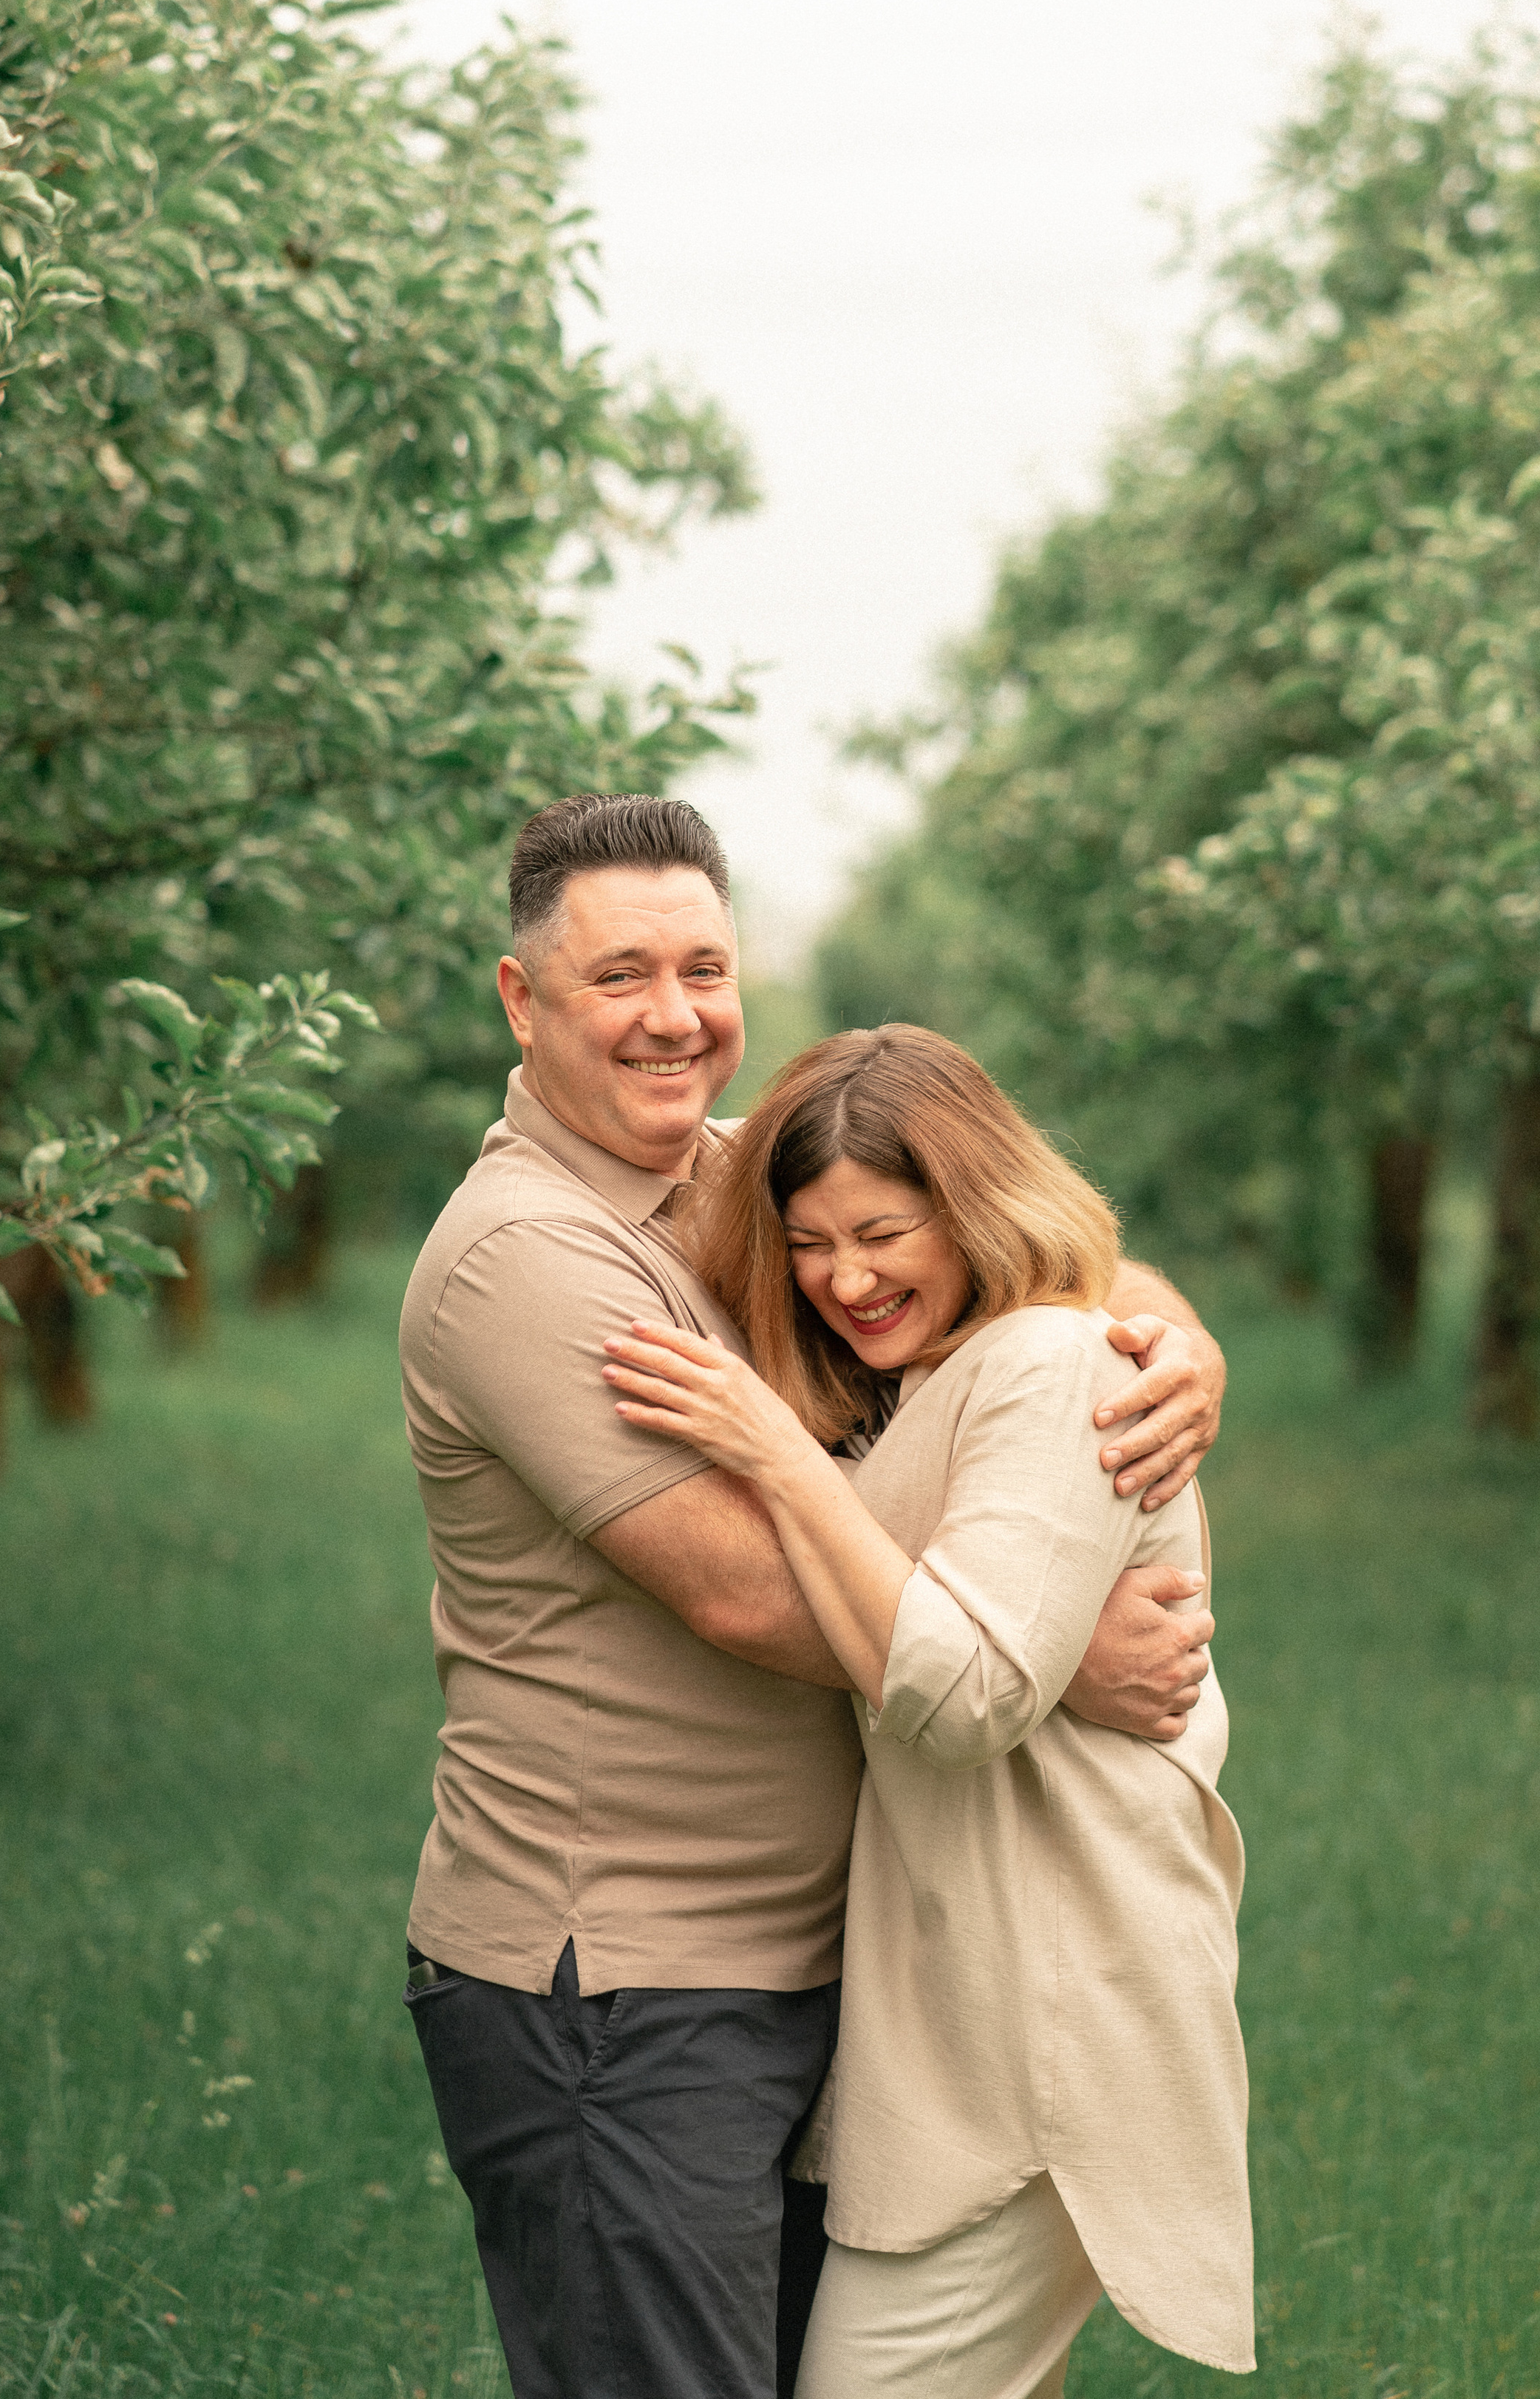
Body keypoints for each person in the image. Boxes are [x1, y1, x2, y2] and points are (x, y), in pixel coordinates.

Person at [399, 792, 1229, 2399]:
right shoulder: (529, 1257)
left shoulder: (737, 1184)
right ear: (521, 1000)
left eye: (701, 969)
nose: (672, 1017)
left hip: (824, 1953)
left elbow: (1043, 1251)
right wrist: (1054, 1660)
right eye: (618, 975)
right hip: (621, 1985)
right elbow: (741, 1590)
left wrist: (1180, 1349)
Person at [604, 1022, 1253, 2393]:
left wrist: (773, 1455)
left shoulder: (1051, 1366)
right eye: (808, 1241)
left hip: (1050, 2024)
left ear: (974, 1206)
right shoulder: (924, 1382)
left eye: (885, 1231)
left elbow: (965, 1695)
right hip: (974, 2015)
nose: (844, 1277)